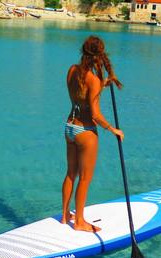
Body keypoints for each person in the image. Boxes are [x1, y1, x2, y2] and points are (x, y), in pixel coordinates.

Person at [61, 36, 124, 233]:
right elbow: (95, 114)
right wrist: (113, 129)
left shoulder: (72, 70)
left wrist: (101, 84)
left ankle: (65, 216)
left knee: (71, 173)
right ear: (100, 54)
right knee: (85, 179)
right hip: (86, 132)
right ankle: (79, 221)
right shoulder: (93, 79)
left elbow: (81, 94)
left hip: (69, 127)